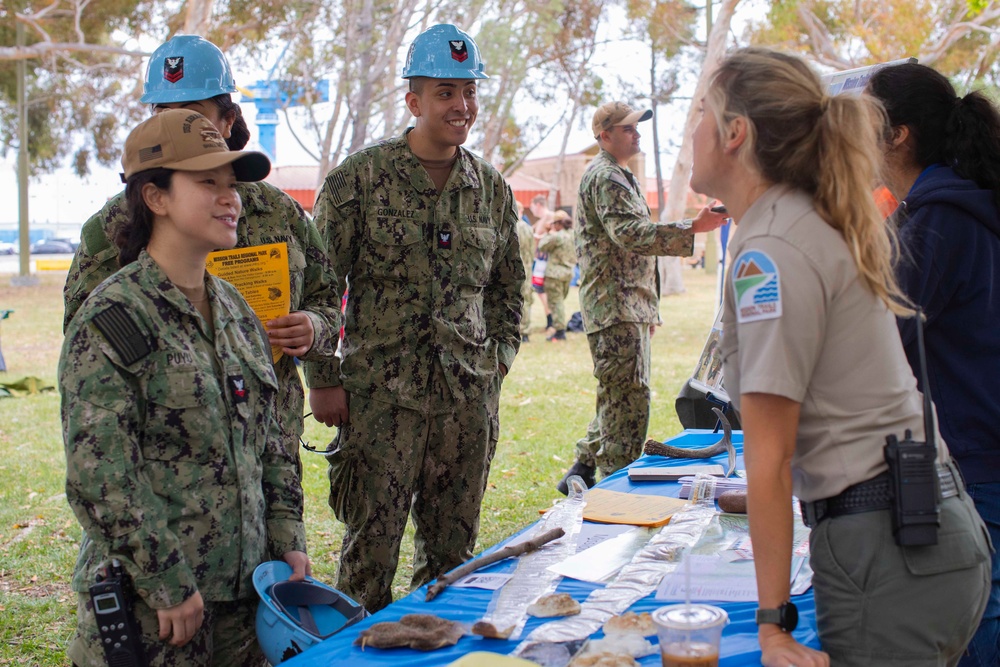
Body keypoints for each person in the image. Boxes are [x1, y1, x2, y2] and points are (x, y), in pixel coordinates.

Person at [691, 47, 990, 666]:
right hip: (919, 530)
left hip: (890, 551)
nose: (692, 127)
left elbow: (770, 455)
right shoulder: (801, 219)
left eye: (700, 111)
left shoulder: (769, 247)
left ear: (734, 134)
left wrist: (772, 626)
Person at [60, 109, 310, 666]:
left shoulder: (236, 311)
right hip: (158, 613)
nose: (231, 199)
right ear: (156, 198)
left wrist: (288, 535)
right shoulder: (116, 318)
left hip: (246, 603)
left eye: (231, 184)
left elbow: (269, 442)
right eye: (207, 183)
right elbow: (99, 473)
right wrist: (166, 582)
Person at [305, 23, 524, 613]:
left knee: (453, 563)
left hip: (465, 403)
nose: (462, 106)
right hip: (381, 402)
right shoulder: (360, 179)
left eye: (469, 92)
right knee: (367, 561)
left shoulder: (491, 189)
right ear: (414, 101)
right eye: (445, 93)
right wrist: (323, 379)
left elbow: (508, 290)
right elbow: (321, 283)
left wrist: (494, 363)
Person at [63, 35, 342, 481]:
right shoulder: (112, 224)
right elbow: (86, 342)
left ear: (227, 120)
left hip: (268, 442)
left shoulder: (278, 211)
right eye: (162, 114)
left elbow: (328, 297)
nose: (176, 128)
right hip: (167, 459)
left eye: (192, 114)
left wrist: (314, 329)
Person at [867, 62, 1000, 667]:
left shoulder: (940, 218)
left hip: (973, 449)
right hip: (974, 439)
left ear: (898, 135)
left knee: (975, 614)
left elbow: (880, 335)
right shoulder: (944, 207)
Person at [556, 100, 726, 494]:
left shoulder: (618, 174)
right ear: (604, 135)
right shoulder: (608, 177)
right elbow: (630, 235)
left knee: (616, 395)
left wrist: (648, 307)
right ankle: (616, 491)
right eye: (628, 128)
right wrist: (692, 226)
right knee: (628, 403)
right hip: (616, 305)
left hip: (625, 303)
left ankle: (580, 470)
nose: (636, 134)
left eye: (637, 127)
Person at [537, 209, 575, 341]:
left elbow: (541, 246)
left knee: (556, 303)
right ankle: (559, 328)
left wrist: (548, 233)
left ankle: (559, 331)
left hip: (554, 275)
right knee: (560, 302)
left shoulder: (557, 236)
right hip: (569, 273)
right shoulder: (574, 235)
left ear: (559, 224)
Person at [529, 194, 555, 332]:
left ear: (538, 205)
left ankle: (551, 320)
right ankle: (550, 319)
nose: (532, 210)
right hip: (538, 260)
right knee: (540, 290)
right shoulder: (540, 221)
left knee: (542, 290)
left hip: (544, 261)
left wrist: (538, 237)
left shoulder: (551, 217)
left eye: (532, 206)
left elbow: (554, 234)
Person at [516, 201, 535, 342]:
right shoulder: (528, 229)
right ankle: (526, 331)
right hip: (527, 268)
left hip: (513, 268)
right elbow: (532, 251)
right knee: (526, 300)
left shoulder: (511, 227)